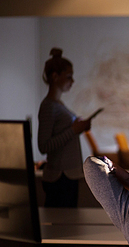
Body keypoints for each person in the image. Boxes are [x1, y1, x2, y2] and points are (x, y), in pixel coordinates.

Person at [37, 48, 98, 207]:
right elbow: (44, 145)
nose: (72, 81)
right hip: (59, 177)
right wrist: (74, 130)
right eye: (69, 76)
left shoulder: (57, 105)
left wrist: (76, 126)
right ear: (55, 77)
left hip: (65, 176)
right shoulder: (49, 106)